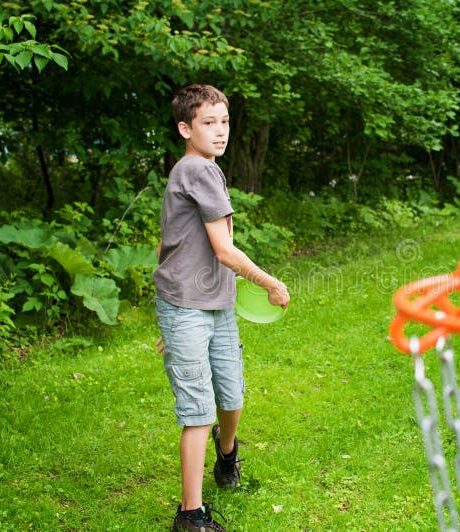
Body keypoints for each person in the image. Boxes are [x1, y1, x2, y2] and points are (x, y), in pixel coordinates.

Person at [153, 83, 290, 532]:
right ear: (184, 128)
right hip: (188, 310)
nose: (220, 131)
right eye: (208, 123)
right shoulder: (196, 169)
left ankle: (226, 452)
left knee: (231, 396)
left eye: (224, 122)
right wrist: (269, 282)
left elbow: (169, 241)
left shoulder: (206, 169)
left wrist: (167, 317)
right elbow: (225, 250)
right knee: (198, 409)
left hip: (214, 303)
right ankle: (190, 515)